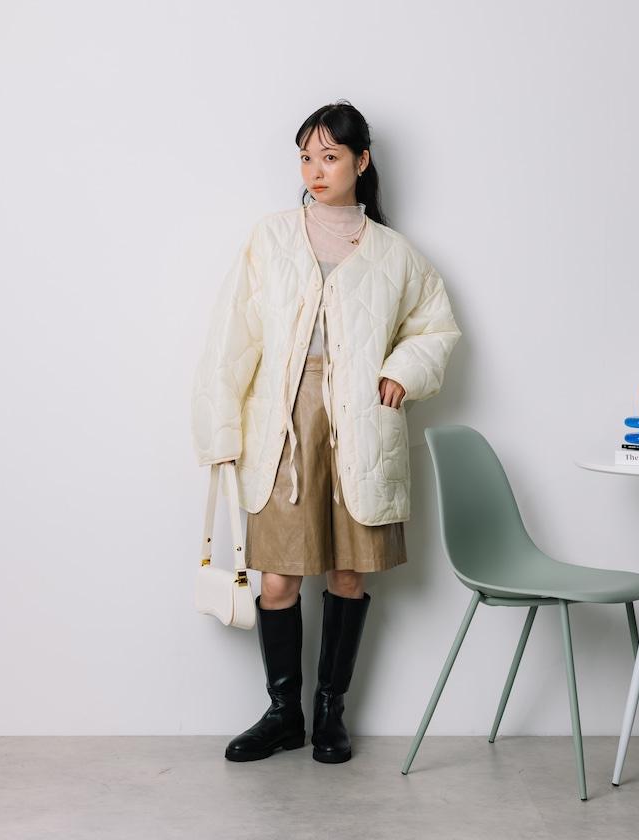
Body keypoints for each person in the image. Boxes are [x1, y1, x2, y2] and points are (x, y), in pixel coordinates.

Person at [191, 100, 462, 764]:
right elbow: (232, 337)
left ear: (361, 162)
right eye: (306, 157)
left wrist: (402, 371)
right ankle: (283, 714)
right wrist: (221, 428)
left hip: (361, 422)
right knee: (277, 579)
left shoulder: (395, 253)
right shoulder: (271, 237)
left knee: (346, 573)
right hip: (282, 424)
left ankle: (329, 713)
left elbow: (436, 328)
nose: (315, 170)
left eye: (330, 157)